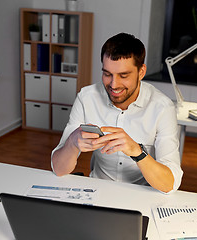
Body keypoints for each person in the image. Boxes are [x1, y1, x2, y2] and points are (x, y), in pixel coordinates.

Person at [51, 33, 183, 193]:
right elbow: (59, 169)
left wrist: (137, 151)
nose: (114, 84)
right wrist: (72, 142)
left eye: (124, 76)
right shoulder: (86, 98)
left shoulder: (162, 107)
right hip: (97, 192)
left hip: (143, 194)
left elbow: (170, 183)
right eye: (107, 74)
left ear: (141, 72)